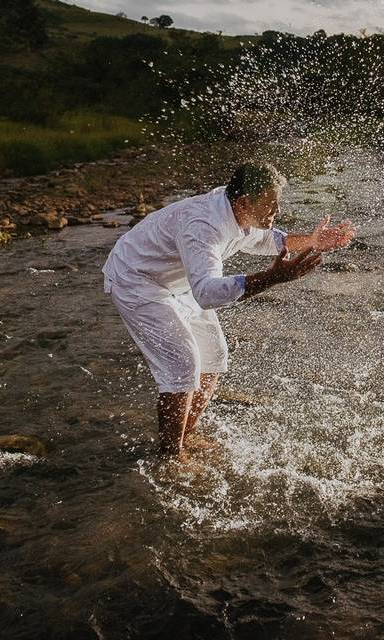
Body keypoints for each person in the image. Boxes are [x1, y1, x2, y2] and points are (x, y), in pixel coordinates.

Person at [103, 163, 355, 459]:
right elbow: (208, 294)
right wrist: (273, 278)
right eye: (270, 204)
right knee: (184, 364)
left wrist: (312, 241)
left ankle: (186, 434)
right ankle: (171, 456)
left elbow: (268, 240)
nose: (276, 209)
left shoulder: (237, 209)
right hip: (137, 279)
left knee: (213, 355)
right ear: (245, 202)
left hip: (178, 281)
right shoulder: (203, 226)